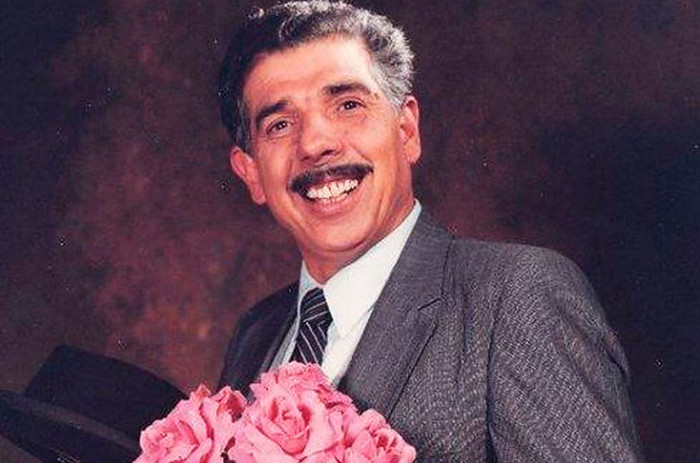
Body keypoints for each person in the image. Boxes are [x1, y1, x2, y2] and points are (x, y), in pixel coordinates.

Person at [217, 1, 644, 461]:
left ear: (406, 130)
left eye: (348, 105)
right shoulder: (257, 334)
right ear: (250, 172)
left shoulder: (518, 296)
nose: (316, 143)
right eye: (279, 124)